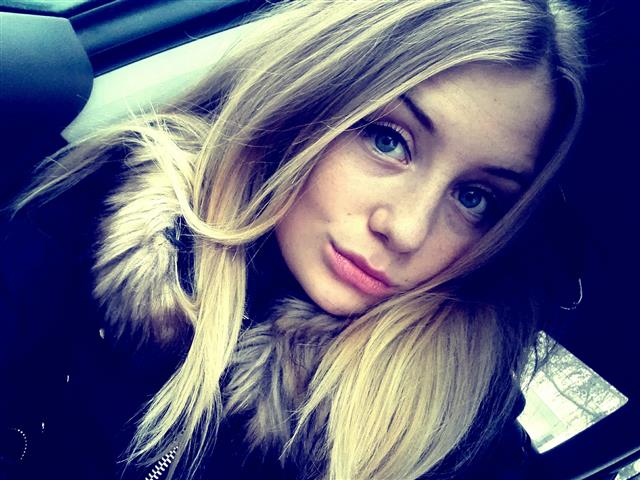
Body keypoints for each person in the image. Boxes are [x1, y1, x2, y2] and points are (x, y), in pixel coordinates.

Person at [0, 0, 586, 479]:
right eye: (389, 139)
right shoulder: (88, 218)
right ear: (307, 101)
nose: (407, 230)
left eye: (474, 197)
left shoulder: (456, 428)